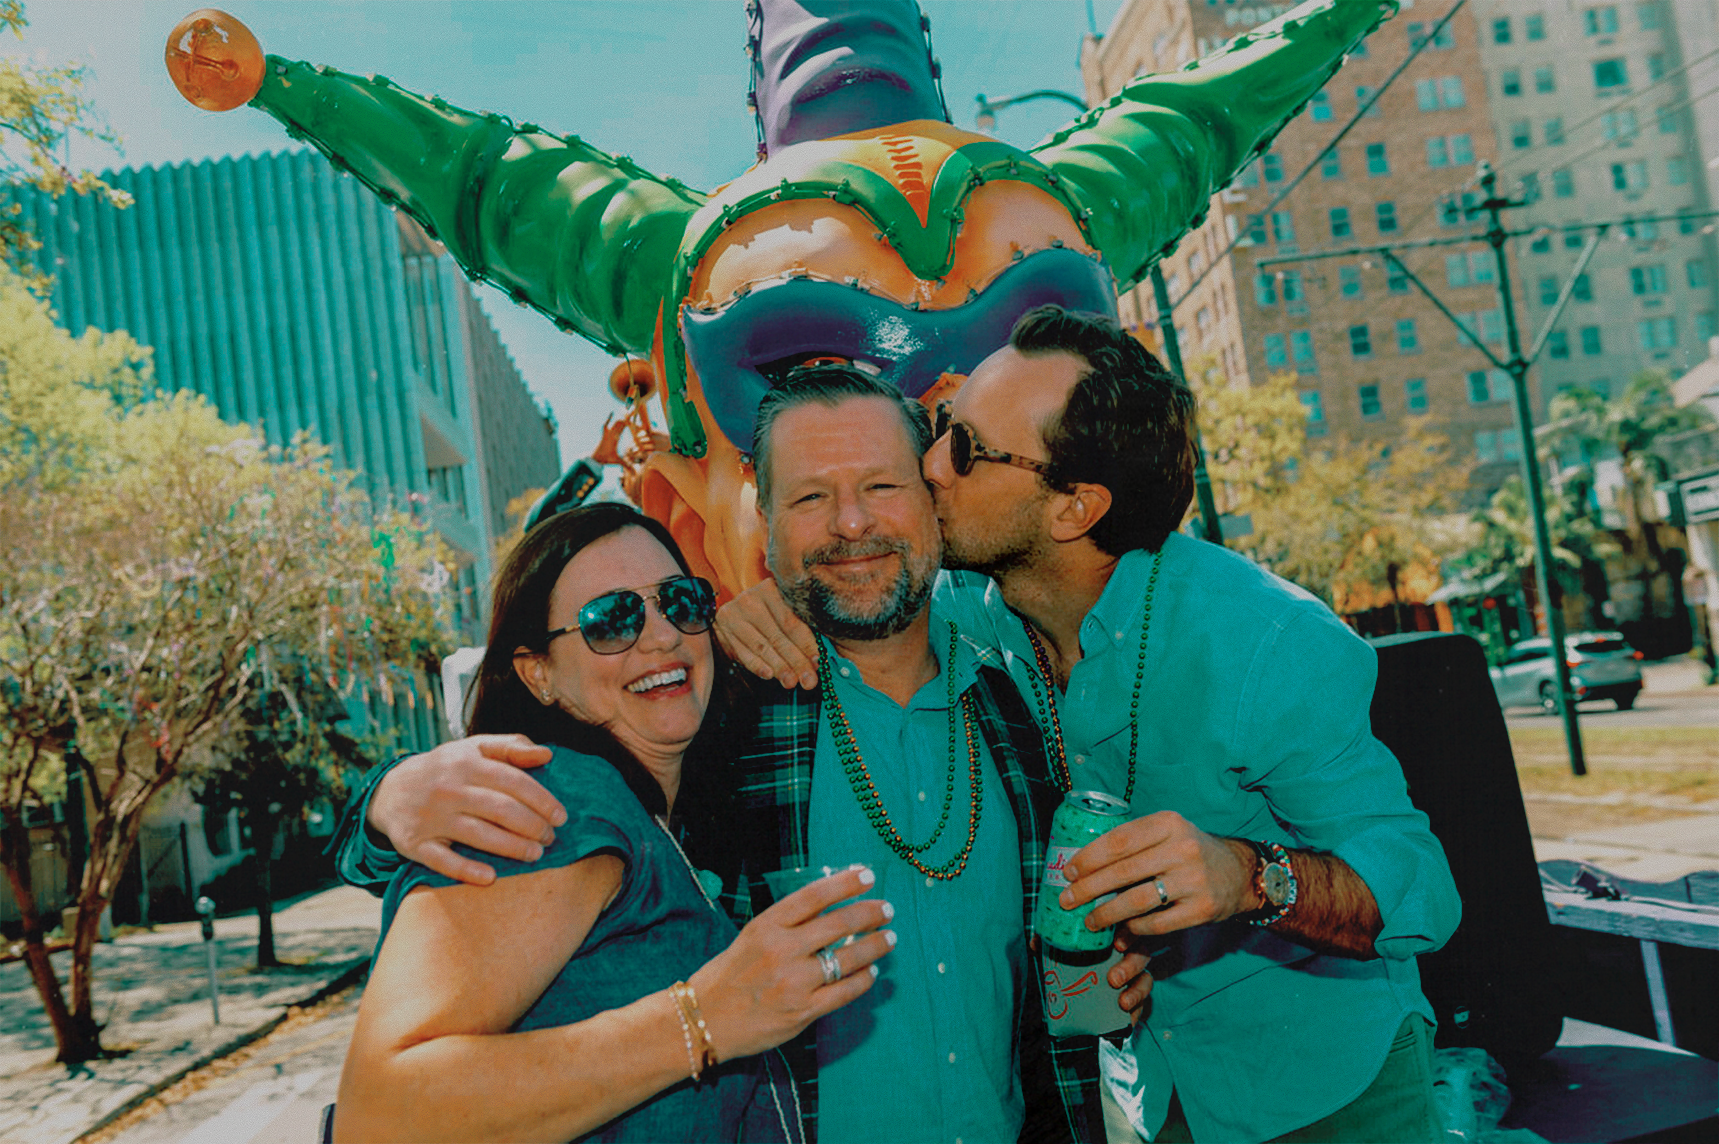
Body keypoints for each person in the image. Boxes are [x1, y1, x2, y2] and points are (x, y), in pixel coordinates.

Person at [329, 368, 1149, 1143]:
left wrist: (1104, 977)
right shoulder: (714, 708)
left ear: (932, 497)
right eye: (810, 496)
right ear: (766, 519)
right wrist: (384, 800)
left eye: (880, 486)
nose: (851, 522)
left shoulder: (1019, 699)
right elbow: (484, 856)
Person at [722, 306, 1464, 1143]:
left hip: (1323, 1088)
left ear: (1072, 508)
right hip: (1147, 1096)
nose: (929, 466)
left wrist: (1247, 877)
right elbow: (856, 581)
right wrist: (745, 613)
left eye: (964, 448)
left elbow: (1419, 888)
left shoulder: (1266, 641)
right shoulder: (972, 609)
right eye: (940, 427)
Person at [329, 503, 893, 1143]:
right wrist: (702, 1019)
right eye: (610, 620)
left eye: (679, 602)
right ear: (538, 673)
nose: (662, 637)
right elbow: (378, 1117)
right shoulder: (557, 799)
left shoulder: (660, 815)